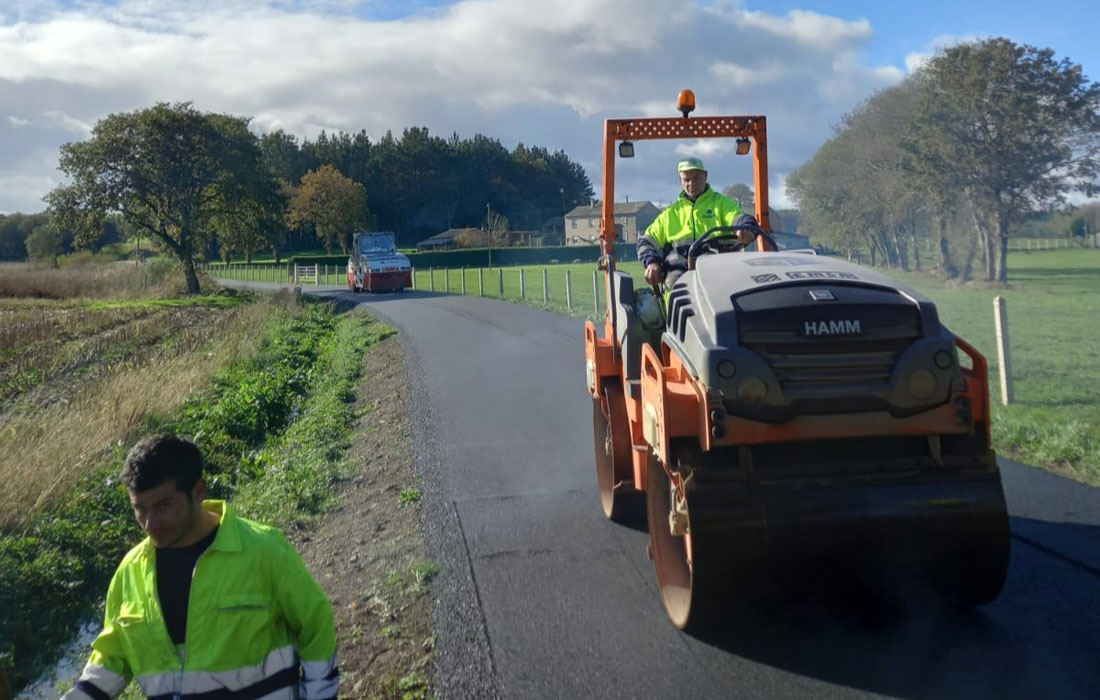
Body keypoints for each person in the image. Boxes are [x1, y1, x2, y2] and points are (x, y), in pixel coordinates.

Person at [63, 434, 338, 700]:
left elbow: (316, 628)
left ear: (199, 491)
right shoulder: (130, 573)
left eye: (163, 505)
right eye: (140, 509)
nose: (150, 524)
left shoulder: (264, 550)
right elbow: (112, 658)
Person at [638, 157, 758, 290]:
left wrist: (746, 227)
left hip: (716, 270)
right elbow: (646, 242)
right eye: (686, 179)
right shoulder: (670, 214)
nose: (691, 183)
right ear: (681, 180)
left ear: (705, 176)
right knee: (673, 285)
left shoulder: (721, 204)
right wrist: (652, 262)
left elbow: (739, 218)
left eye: (695, 178)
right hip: (679, 274)